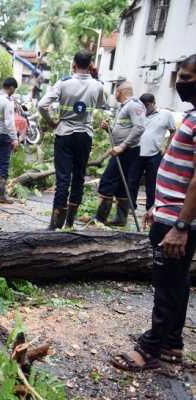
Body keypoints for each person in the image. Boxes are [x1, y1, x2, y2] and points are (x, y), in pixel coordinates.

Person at [110, 53, 196, 373]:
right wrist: (158, 207)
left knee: (166, 283)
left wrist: (181, 225)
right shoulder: (190, 114)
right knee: (177, 280)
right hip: (171, 213)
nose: (181, 83)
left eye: (187, 78)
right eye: (181, 77)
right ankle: (172, 343)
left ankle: (151, 349)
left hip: (179, 220)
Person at [38, 50, 107, 229]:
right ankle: (69, 223)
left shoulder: (63, 83)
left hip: (65, 134)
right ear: (91, 65)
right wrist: (96, 77)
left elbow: (41, 105)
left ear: (74, 65)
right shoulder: (97, 85)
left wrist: (52, 122)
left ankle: (55, 225)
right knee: (79, 178)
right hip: (85, 136)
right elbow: (102, 104)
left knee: (63, 179)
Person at [94, 80, 146, 226]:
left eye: (115, 91)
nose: (114, 94)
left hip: (127, 151)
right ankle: (120, 219)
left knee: (107, 181)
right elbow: (126, 128)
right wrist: (108, 129)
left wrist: (122, 146)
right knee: (122, 185)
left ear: (120, 91)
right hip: (124, 150)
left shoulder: (134, 105)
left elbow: (139, 128)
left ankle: (100, 219)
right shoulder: (124, 106)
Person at [128, 93, 177, 212]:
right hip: (137, 152)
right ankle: (130, 207)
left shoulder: (166, 115)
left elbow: (173, 131)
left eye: (145, 106)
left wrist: (167, 148)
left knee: (152, 184)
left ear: (151, 104)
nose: (143, 109)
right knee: (132, 181)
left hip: (155, 154)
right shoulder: (139, 114)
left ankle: (150, 210)